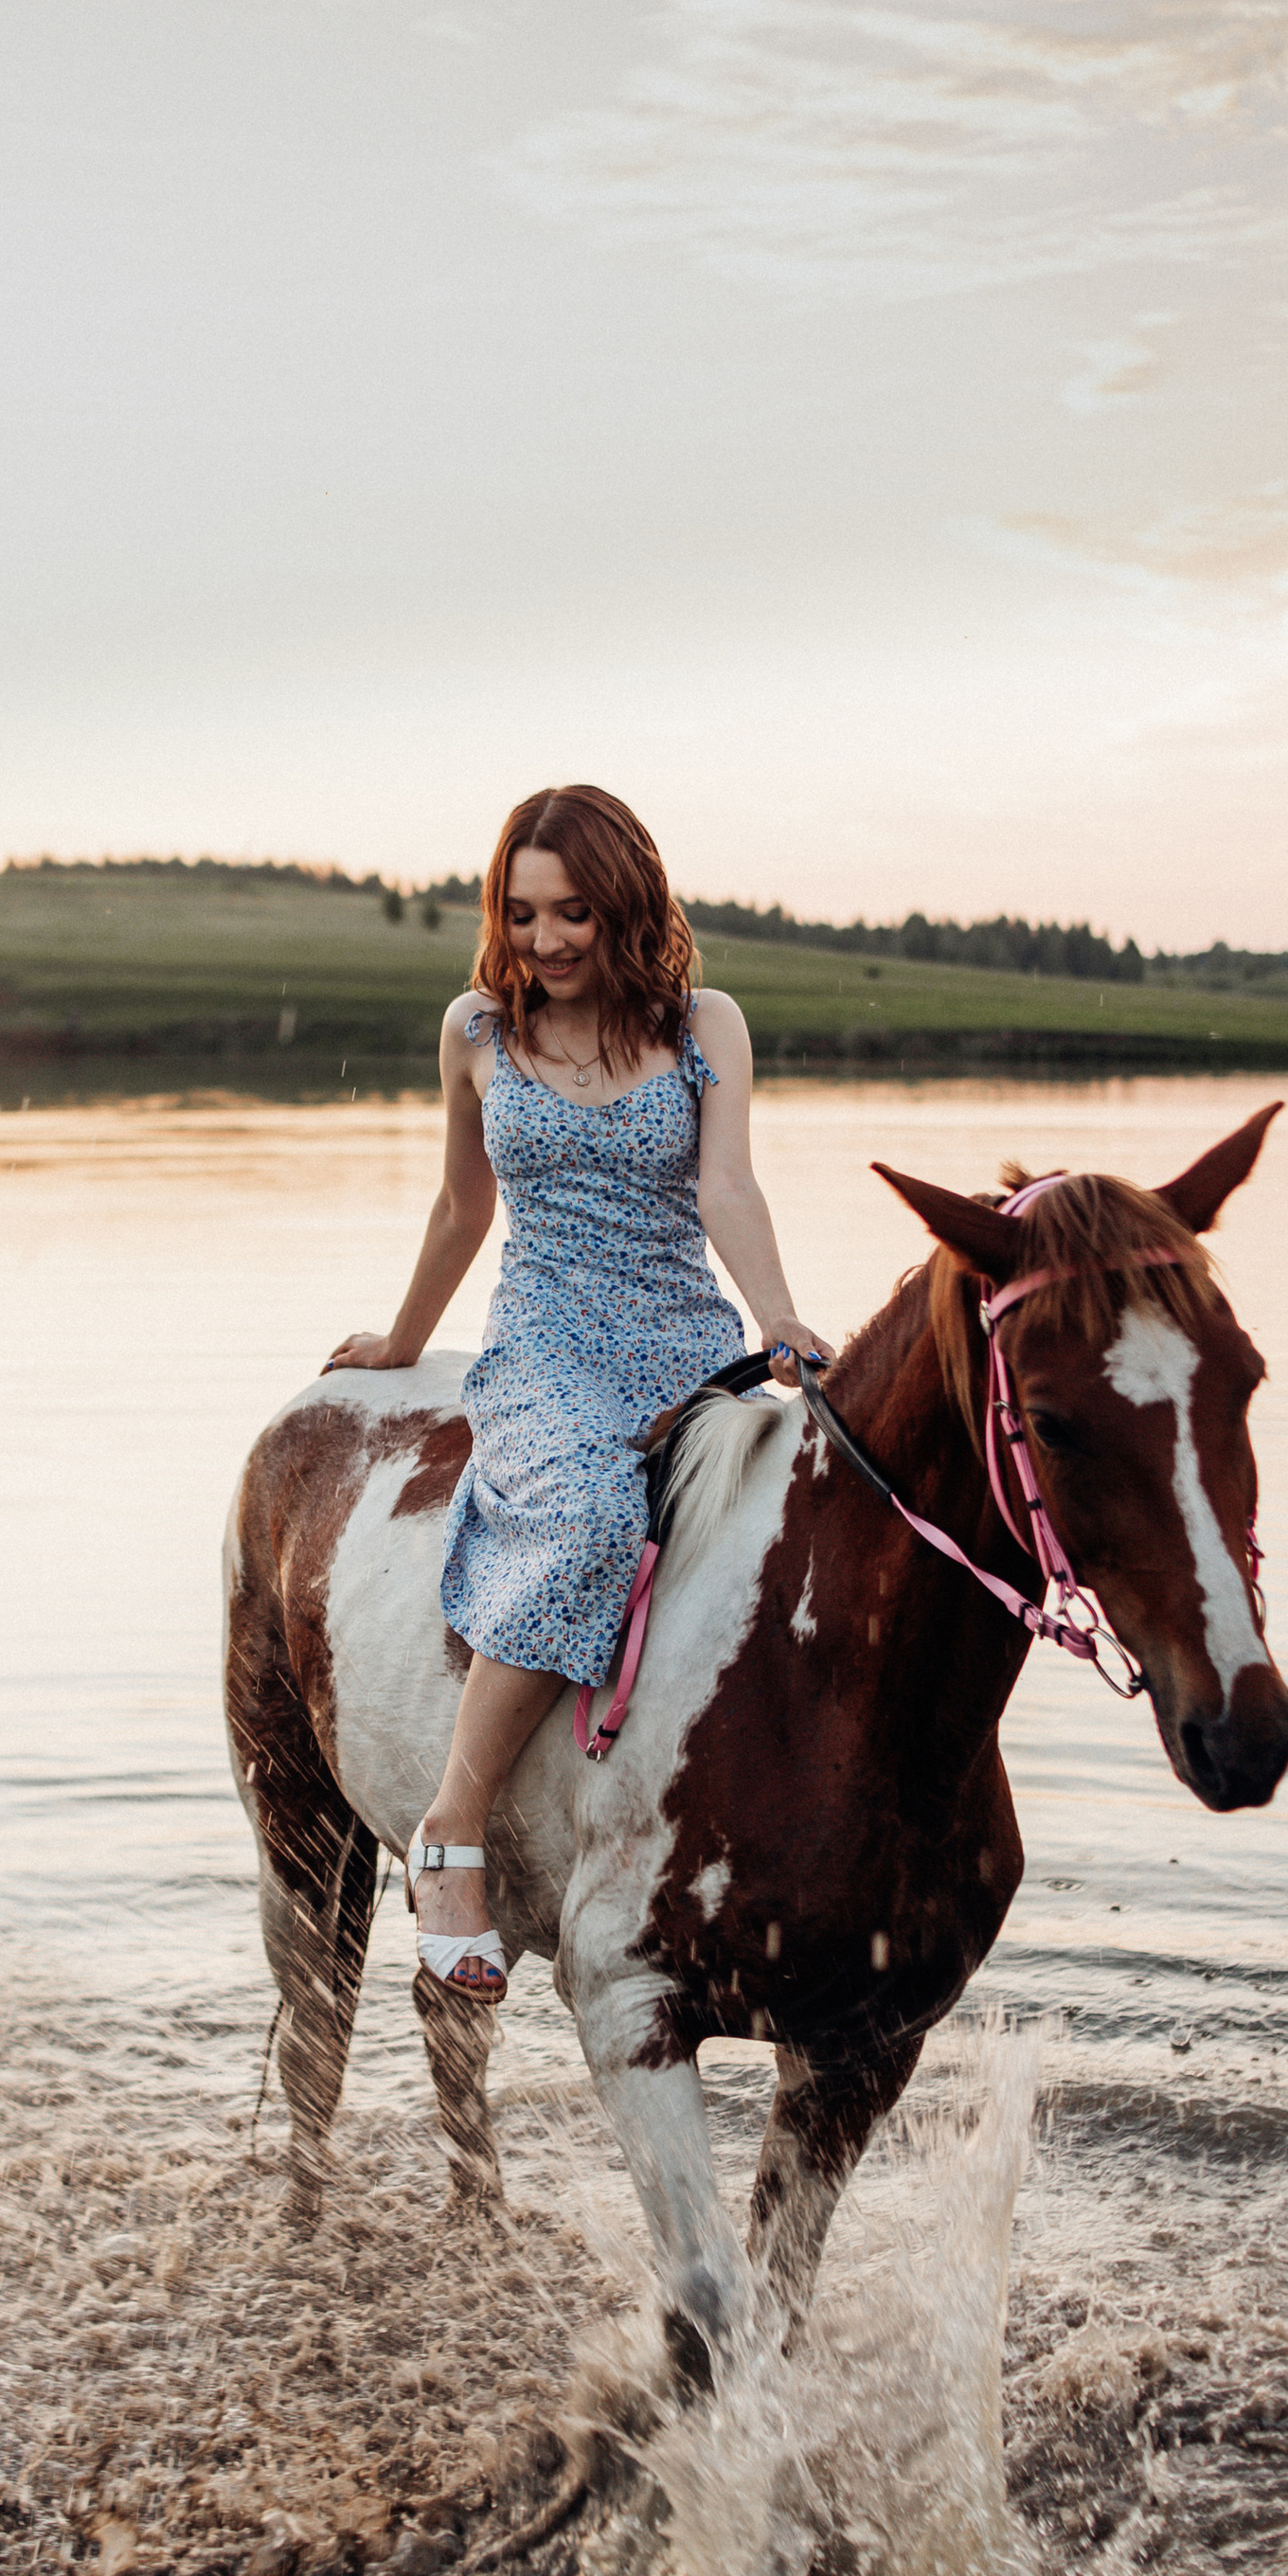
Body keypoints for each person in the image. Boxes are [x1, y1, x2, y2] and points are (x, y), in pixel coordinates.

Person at [325, 783, 825, 2001]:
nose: (544, 939)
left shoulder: (705, 1025)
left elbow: (726, 1189)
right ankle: (451, 1827)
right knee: (598, 1516)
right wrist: (402, 1339)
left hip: (683, 1337)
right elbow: (463, 1209)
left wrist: (778, 1320)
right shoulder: (475, 1032)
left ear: (625, 905)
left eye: (573, 913)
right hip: (545, 1346)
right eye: (522, 912)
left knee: (795, 1520)